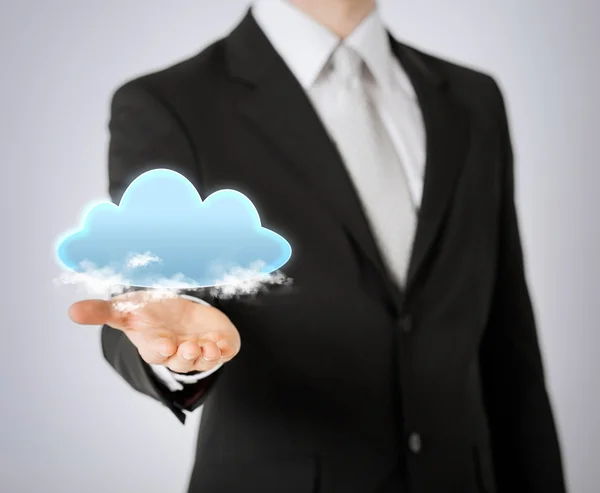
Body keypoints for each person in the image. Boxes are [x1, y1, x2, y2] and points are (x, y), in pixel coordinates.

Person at [68, 0, 567, 491]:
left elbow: (509, 343)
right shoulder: (170, 104)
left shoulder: (472, 99)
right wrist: (171, 350)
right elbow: (142, 307)